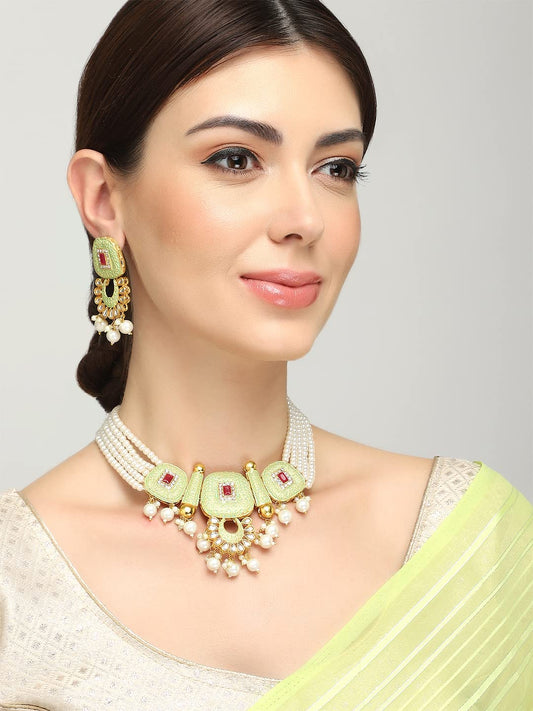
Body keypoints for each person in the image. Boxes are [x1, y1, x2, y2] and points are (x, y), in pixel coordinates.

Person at [0, 0, 531, 709]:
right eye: (235, 159)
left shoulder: (465, 540)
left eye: (336, 168)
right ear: (103, 198)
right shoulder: (15, 590)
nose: (305, 219)